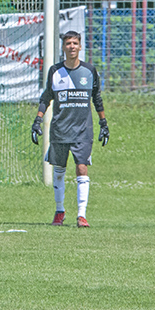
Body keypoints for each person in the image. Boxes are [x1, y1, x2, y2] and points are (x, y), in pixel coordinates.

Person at [31, 31, 109, 228]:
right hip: (60, 129)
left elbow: (97, 99)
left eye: (75, 43)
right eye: (68, 43)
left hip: (83, 131)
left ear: (80, 47)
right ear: (64, 47)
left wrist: (104, 124)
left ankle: (82, 215)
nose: (72, 46)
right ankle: (59, 211)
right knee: (59, 170)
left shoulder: (89, 71)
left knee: (82, 167)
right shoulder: (55, 71)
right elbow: (46, 97)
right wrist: (37, 121)